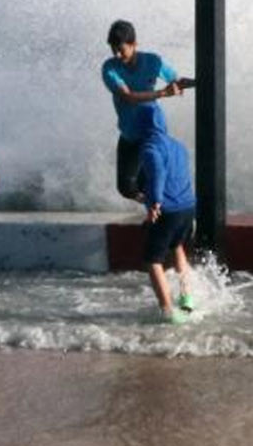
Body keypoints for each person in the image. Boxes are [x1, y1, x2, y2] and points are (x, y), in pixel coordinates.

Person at [130, 103, 198, 323]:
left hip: (167, 210)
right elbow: (178, 175)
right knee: (177, 246)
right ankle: (187, 297)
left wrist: (155, 201)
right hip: (187, 206)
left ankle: (168, 311)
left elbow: (158, 172)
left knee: (153, 260)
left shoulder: (150, 147)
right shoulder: (178, 145)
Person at [102, 20, 182, 201]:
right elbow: (128, 97)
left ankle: (166, 212)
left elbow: (176, 80)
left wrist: (186, 84)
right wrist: (162, 93)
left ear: (134, 44)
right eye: (113, 50)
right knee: (127, 188)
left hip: (152, 131)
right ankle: (159, 209)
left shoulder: (153, 61)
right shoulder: (110, 68)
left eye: (121, 49)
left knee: (152, 182)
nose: (117, 54)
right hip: (129, 134)